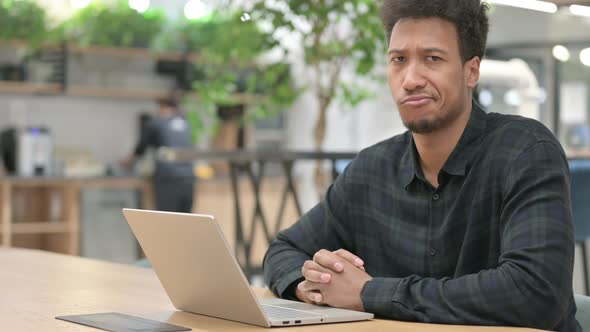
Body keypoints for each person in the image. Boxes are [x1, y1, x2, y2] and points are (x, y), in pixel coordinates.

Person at [263, 1, 580, 331]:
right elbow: (283, 250)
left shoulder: (525, 151)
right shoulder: (371, 169)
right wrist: (313, 285)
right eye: (399, 60)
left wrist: (369, 293)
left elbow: (536, 293)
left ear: (471, 71)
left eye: (433, 58)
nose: (411, 79)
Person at [122, 96, 195, 213]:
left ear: (163, 107)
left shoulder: (156, 123)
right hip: (188, 177)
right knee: (186, 218)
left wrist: (127, 162)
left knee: (166, 218)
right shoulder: (185, 124)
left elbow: (141, 148)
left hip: (168, 178)